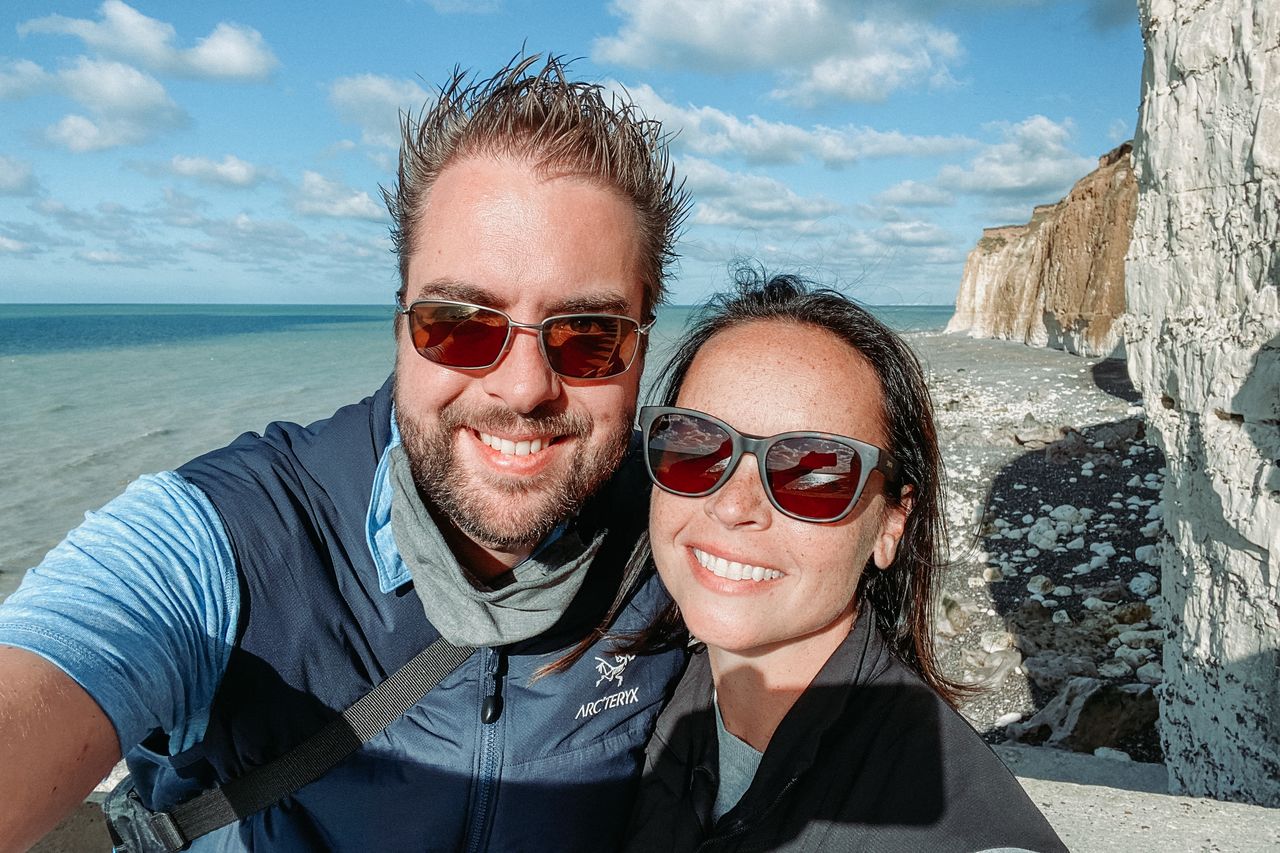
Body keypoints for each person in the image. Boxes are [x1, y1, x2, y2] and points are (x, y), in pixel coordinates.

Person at [0, 55, 691, 852]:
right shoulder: (243, 540)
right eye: (462, 324)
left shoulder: (680, 538)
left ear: (642, 348)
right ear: (401, 326)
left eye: (590, 335)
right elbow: (70, 644)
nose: (524, 386)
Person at [623, 272, 1067, 852]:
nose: (733, 506)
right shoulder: (644, 707)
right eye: (694, 445)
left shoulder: (943, 821)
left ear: (890, 524)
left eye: (813, 472)